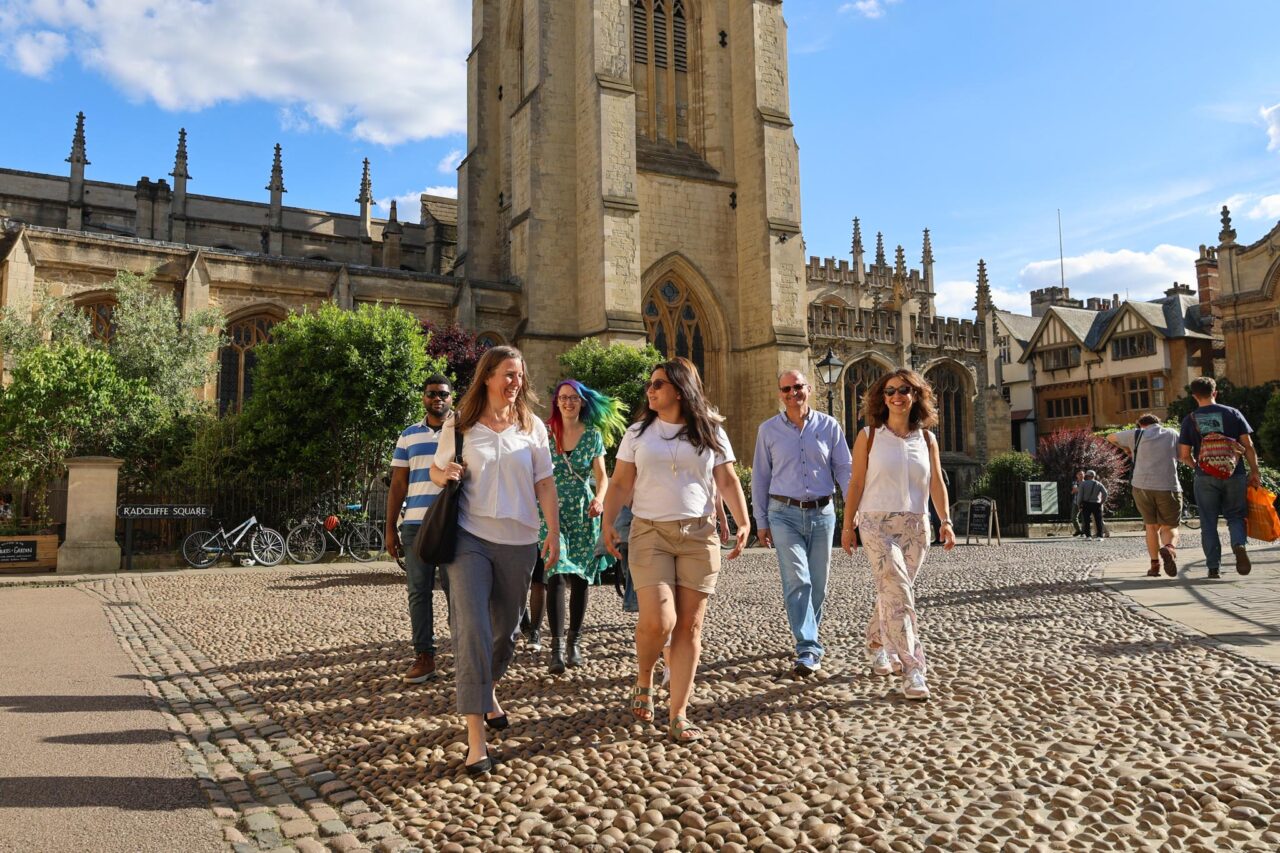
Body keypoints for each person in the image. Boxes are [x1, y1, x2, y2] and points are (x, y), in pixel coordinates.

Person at [603, 358, 750, 742]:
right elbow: (620, 483)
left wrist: (743, 520)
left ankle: (678, 714)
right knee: (660, 620)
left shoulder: (711, 431)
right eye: (650, 385)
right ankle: (645, 676)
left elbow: (727, 479)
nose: (650, 391)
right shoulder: (637, 433)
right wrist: (607, 521)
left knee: (690, 626)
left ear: (681, 390)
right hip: (650, 533)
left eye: (658, 384)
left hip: (699, 536)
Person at [431, 346, 560, 775]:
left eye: (519, 375)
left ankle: (487, 690)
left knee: (505, 633)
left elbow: (545, 482)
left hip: (519, 541)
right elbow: (435, 469)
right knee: (473, 630)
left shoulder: (532, 427)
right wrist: (446, 474)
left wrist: (553, 531)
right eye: (508, 374)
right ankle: (476, 741)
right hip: (469, 537)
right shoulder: (461, 424)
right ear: (487, 376)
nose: (515, 382)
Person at [841, 367, 954, 701]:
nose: (896, 396)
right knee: (899, 591)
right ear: (883, 397)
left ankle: (876, 641)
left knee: (893, 593)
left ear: (916, 395)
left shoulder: (928, 439)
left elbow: (936, 482)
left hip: (916, 526)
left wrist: (945, 520)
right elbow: (856, 483)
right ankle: (913, 668)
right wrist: (847, 526)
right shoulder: (869, 436)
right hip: (875, 524)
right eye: (890, 391)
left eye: (904, 390)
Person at [751, 369, 852, 677]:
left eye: (797, 387)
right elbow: (760, 476)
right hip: (783, 513)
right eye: (786, 389)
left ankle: (808, 634)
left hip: (823, 513)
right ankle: (807, 647)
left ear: (809, 389)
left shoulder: (829, 425)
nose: (792, 393)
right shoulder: (768, 430)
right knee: (798, 579)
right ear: (780, 394)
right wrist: (760, 520)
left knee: (818, 584)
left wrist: (853, 510)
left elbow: (844, 468)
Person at [541, 379, 628, 674]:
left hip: (583, 512)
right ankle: (556, 648)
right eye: (563, 398)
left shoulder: (592, 435)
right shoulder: (545, 433)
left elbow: (603, 477)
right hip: (551, 512)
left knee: (580, 577)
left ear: (582, 402)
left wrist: (600, 500)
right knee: (555, 571)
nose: (568, 402)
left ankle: (574, 643)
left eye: (574, 398)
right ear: (557, 402)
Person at [386, 374, 454, 683]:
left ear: (451, 397)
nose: (437, 398)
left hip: (454, 524)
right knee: (418, 592)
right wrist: (390, 527)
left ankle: (464, 652)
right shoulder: (408, 435)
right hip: (415, 524)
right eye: (431, 393)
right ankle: (425, 656)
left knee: (459, 592)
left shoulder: (464, 431)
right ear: (423, 397)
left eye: (443, 393)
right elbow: (398, 485)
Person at [1177, 376, 1262, 578]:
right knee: (1235, 516)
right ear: (1215, 392)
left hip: (1205, 477)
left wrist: (1199, 467)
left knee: (1208, 521)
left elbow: (1184, 455)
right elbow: (1248, 445)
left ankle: (1213, 567)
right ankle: (1239, 545)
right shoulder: (1233, 413)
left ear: (1194, 396)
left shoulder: (1190, 419)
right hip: (1234, 473)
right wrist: (1255, 471)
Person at [1108, 414, 1183, 577]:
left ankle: (1154, 565)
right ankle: (1169, 548)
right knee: (1169, 526)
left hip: (1141, 486)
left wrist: (1127, 449)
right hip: (1167, 485)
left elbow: (1110, 437)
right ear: (1159, 423)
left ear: (1141, 425)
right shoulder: (1172, 433)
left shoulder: (1135, 434)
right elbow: (1182, 454)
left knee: (1151, 527)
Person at [1077, 470, 1107, 539]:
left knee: (1086, 520)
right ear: (1094, 476)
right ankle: (1100, 536)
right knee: (1098, 520)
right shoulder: (1099, 484)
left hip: (1086, 504)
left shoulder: (1083, 484)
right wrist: (1101, 502)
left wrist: (1079, 504)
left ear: (1087, 476)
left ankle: (1088, 536)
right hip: (1096, 503)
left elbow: (1080, 496)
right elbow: (1105, 494)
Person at [1070, 470, 1086, 536]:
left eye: (1082, 474)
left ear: (1084, 475)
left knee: (1084, 517)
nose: (1081, 475)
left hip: (1084, 502)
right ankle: (1078, 530)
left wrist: (1077, 489)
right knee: (1073, 517)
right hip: (1075, 502)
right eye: (1079, 474)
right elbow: (1072, 492)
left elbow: (1079, 490)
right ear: (1077, 475)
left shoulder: (1086, 483)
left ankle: (1083, 532)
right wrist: (1076, 490)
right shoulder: (1074, 482)